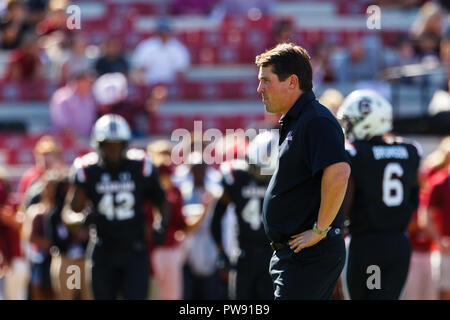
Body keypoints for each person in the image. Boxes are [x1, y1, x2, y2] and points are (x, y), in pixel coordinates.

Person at [255, 43, 351, 300]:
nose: (260, 89)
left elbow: (339, 173)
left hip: (310, 254)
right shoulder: (297, 120)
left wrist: (320, 229)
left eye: (266, 80)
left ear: (292, 81)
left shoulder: (316, 120)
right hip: (295, 253)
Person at [62, 114, 170, 300]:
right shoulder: (88, 170)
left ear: (126, 144)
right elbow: (69, 211)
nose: (113, 151)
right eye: (108, 145)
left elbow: (162, 202)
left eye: (118, 145)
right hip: (102, 248)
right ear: (98, 145)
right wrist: (80, 220)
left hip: (134, 249)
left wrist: (161, 224)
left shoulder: (140, 166)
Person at [337, 89, 422, 300]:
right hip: (399, 242)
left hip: (367, 244)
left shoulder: (355, 151)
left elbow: (345, 203)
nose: (347, 126)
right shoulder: (410, 150)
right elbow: (415, 195)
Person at [211, 131, 278, 300]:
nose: (261, 174)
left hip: (273, 255)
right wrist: (221, 253)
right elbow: (217, 217)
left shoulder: (283, 178)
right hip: (245, 254)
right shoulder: (236, 177)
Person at [131, 19, 190, 86]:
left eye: (166, 32)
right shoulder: (146, 46)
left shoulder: (178, 48)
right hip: (149, 84)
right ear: (156, 32)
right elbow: (138, 69)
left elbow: (181, 71)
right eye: (161, 33)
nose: (164, 35)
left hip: (171, 85)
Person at [49, 70, 97, 138]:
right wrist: (77, 138)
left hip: (87, 140)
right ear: (79, 82)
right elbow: (62, 124)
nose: (90, 85)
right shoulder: (62, 97)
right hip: (65, 141)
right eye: (87, 82)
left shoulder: (90, 98)